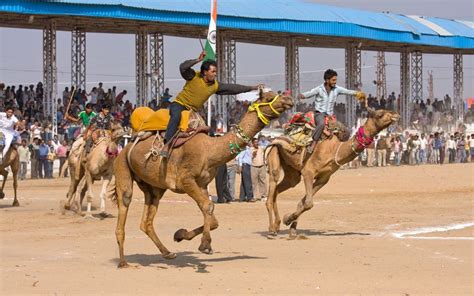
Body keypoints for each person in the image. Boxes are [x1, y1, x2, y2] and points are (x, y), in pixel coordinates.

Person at [160, 51, 263, 158]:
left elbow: (232, 88)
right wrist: (198, 60)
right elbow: (182, 67)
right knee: (176, 116)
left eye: (215, 72)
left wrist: (251, 88)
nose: (215, 74)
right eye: (213, 71)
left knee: (207, 131)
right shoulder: (193, 76)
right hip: (179, 105)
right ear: (205, 72)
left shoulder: (215, 86)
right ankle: (167, 145)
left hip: (194, 112)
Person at [298, 69, 366, 153]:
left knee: (346, 132)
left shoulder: (337, 89)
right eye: (333, 80)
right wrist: (302, 95)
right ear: (327, 80)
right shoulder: (319, 89)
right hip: (319, 114)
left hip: (330, 116)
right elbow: (309, 93)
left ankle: (339, 150)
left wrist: (358, 93)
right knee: (321, 124)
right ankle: (313, 143)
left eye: (335, 80)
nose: (335, 82)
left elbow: (347, 91)